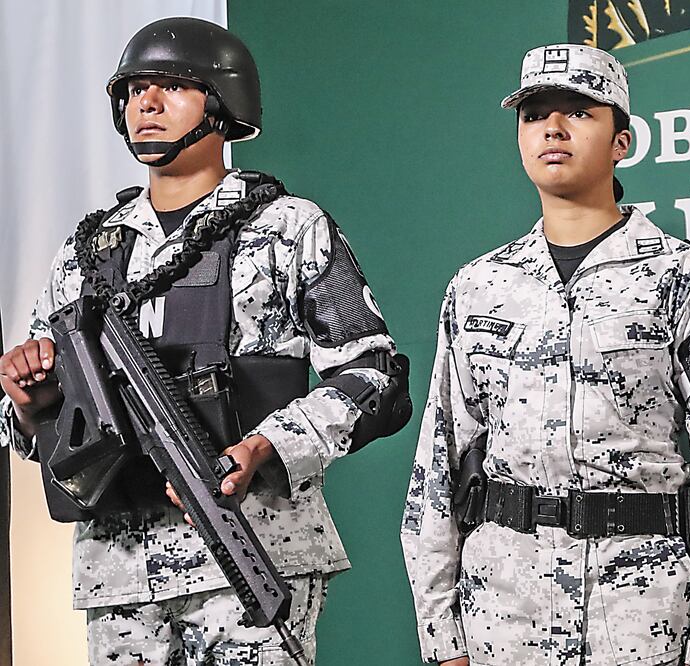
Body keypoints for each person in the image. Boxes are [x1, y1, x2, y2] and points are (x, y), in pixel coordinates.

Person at [0, 17, 410, 665]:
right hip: (122, 574)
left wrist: (267, 446)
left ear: (222, 102)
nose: (147, 104)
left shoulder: (285, 227)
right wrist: (30, 400)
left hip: (251, 557)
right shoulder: (87, 251)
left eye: (172, 86)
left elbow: (374, 379)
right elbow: (24, 430)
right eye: (134, 91)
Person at [401, 44, 690, 666]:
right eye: (534, 114)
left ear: (621, 141)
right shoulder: (478, 285)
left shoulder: (679, 275)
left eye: (578, 112)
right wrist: (442, 639)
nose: (551, 128)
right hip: (501, 616)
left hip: (640, 616)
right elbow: (435, 469)